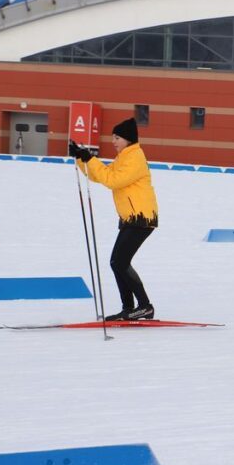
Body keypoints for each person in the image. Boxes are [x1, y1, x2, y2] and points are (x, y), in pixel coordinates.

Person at [69, 117, 159, 321]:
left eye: (117, 137)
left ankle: (144, 306)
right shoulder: (124, 157)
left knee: (119, 262)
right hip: (131, 218)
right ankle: (129, 308)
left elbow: (112, 180)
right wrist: (81, 159)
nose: (113, 141)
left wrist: (90, 160)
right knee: (117, 262)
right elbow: (102, 174)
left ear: (127, 139)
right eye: (113, 137)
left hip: (142, 218)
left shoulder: (135, 158)